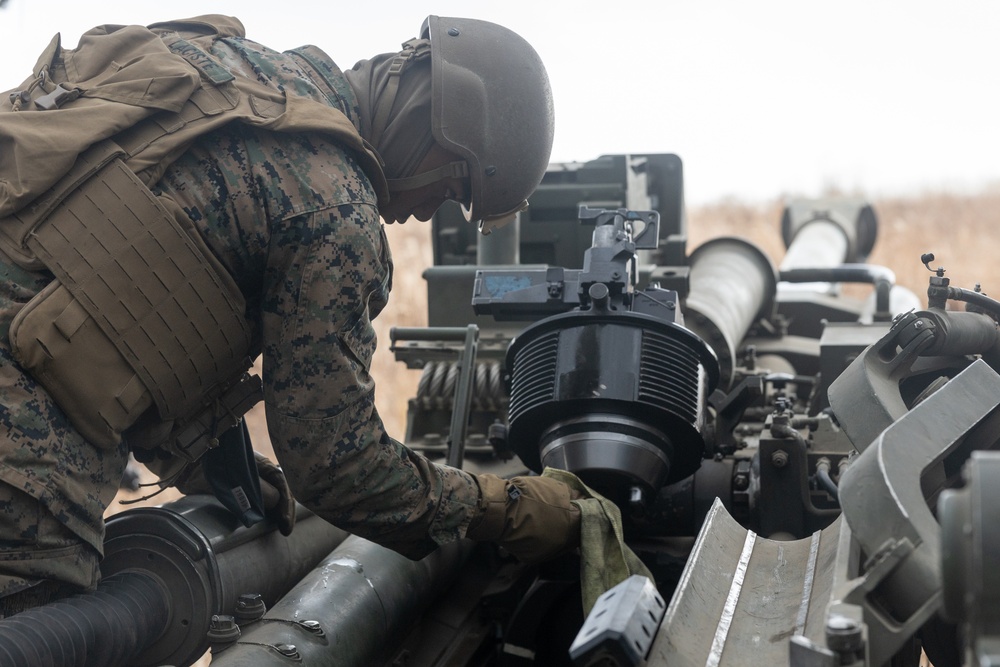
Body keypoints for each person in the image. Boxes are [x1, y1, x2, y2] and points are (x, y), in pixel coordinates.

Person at [0, 14, 580, 614]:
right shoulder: (334, 206)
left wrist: (208, 455)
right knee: (46, 637)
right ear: (433, 121)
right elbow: (339, 465)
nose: (430, 213)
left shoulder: (218, 62)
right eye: (454, 187)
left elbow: (112, 274)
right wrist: (502, 509)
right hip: (19, 448)